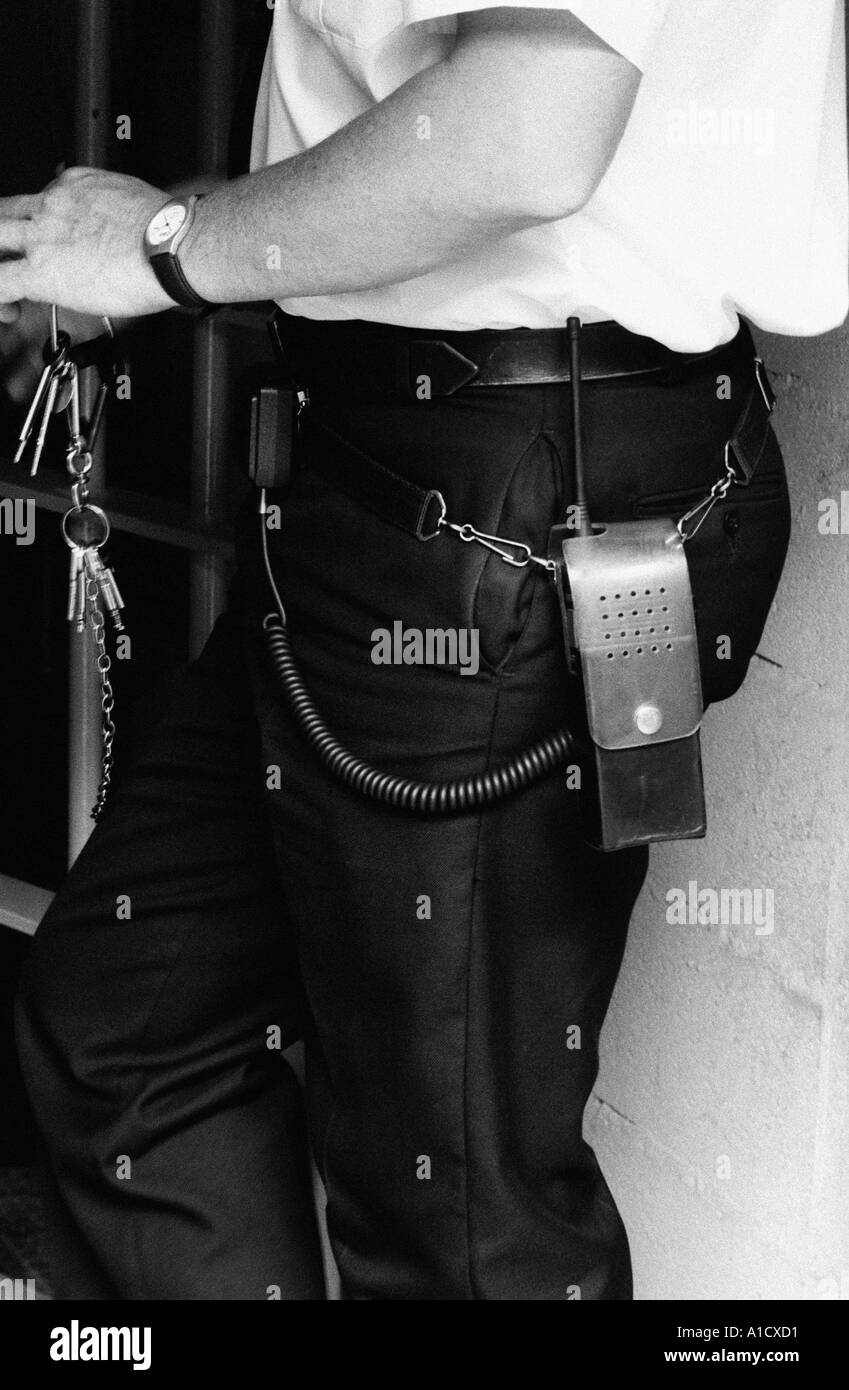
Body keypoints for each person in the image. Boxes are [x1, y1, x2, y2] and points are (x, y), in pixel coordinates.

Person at [2, 1, 846, 1301]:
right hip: (404, 475)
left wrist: (168, 251)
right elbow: (440, 119)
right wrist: (185, 232)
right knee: (130, 1025)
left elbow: (524, 132)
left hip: (495, 504)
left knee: (457, 1219)